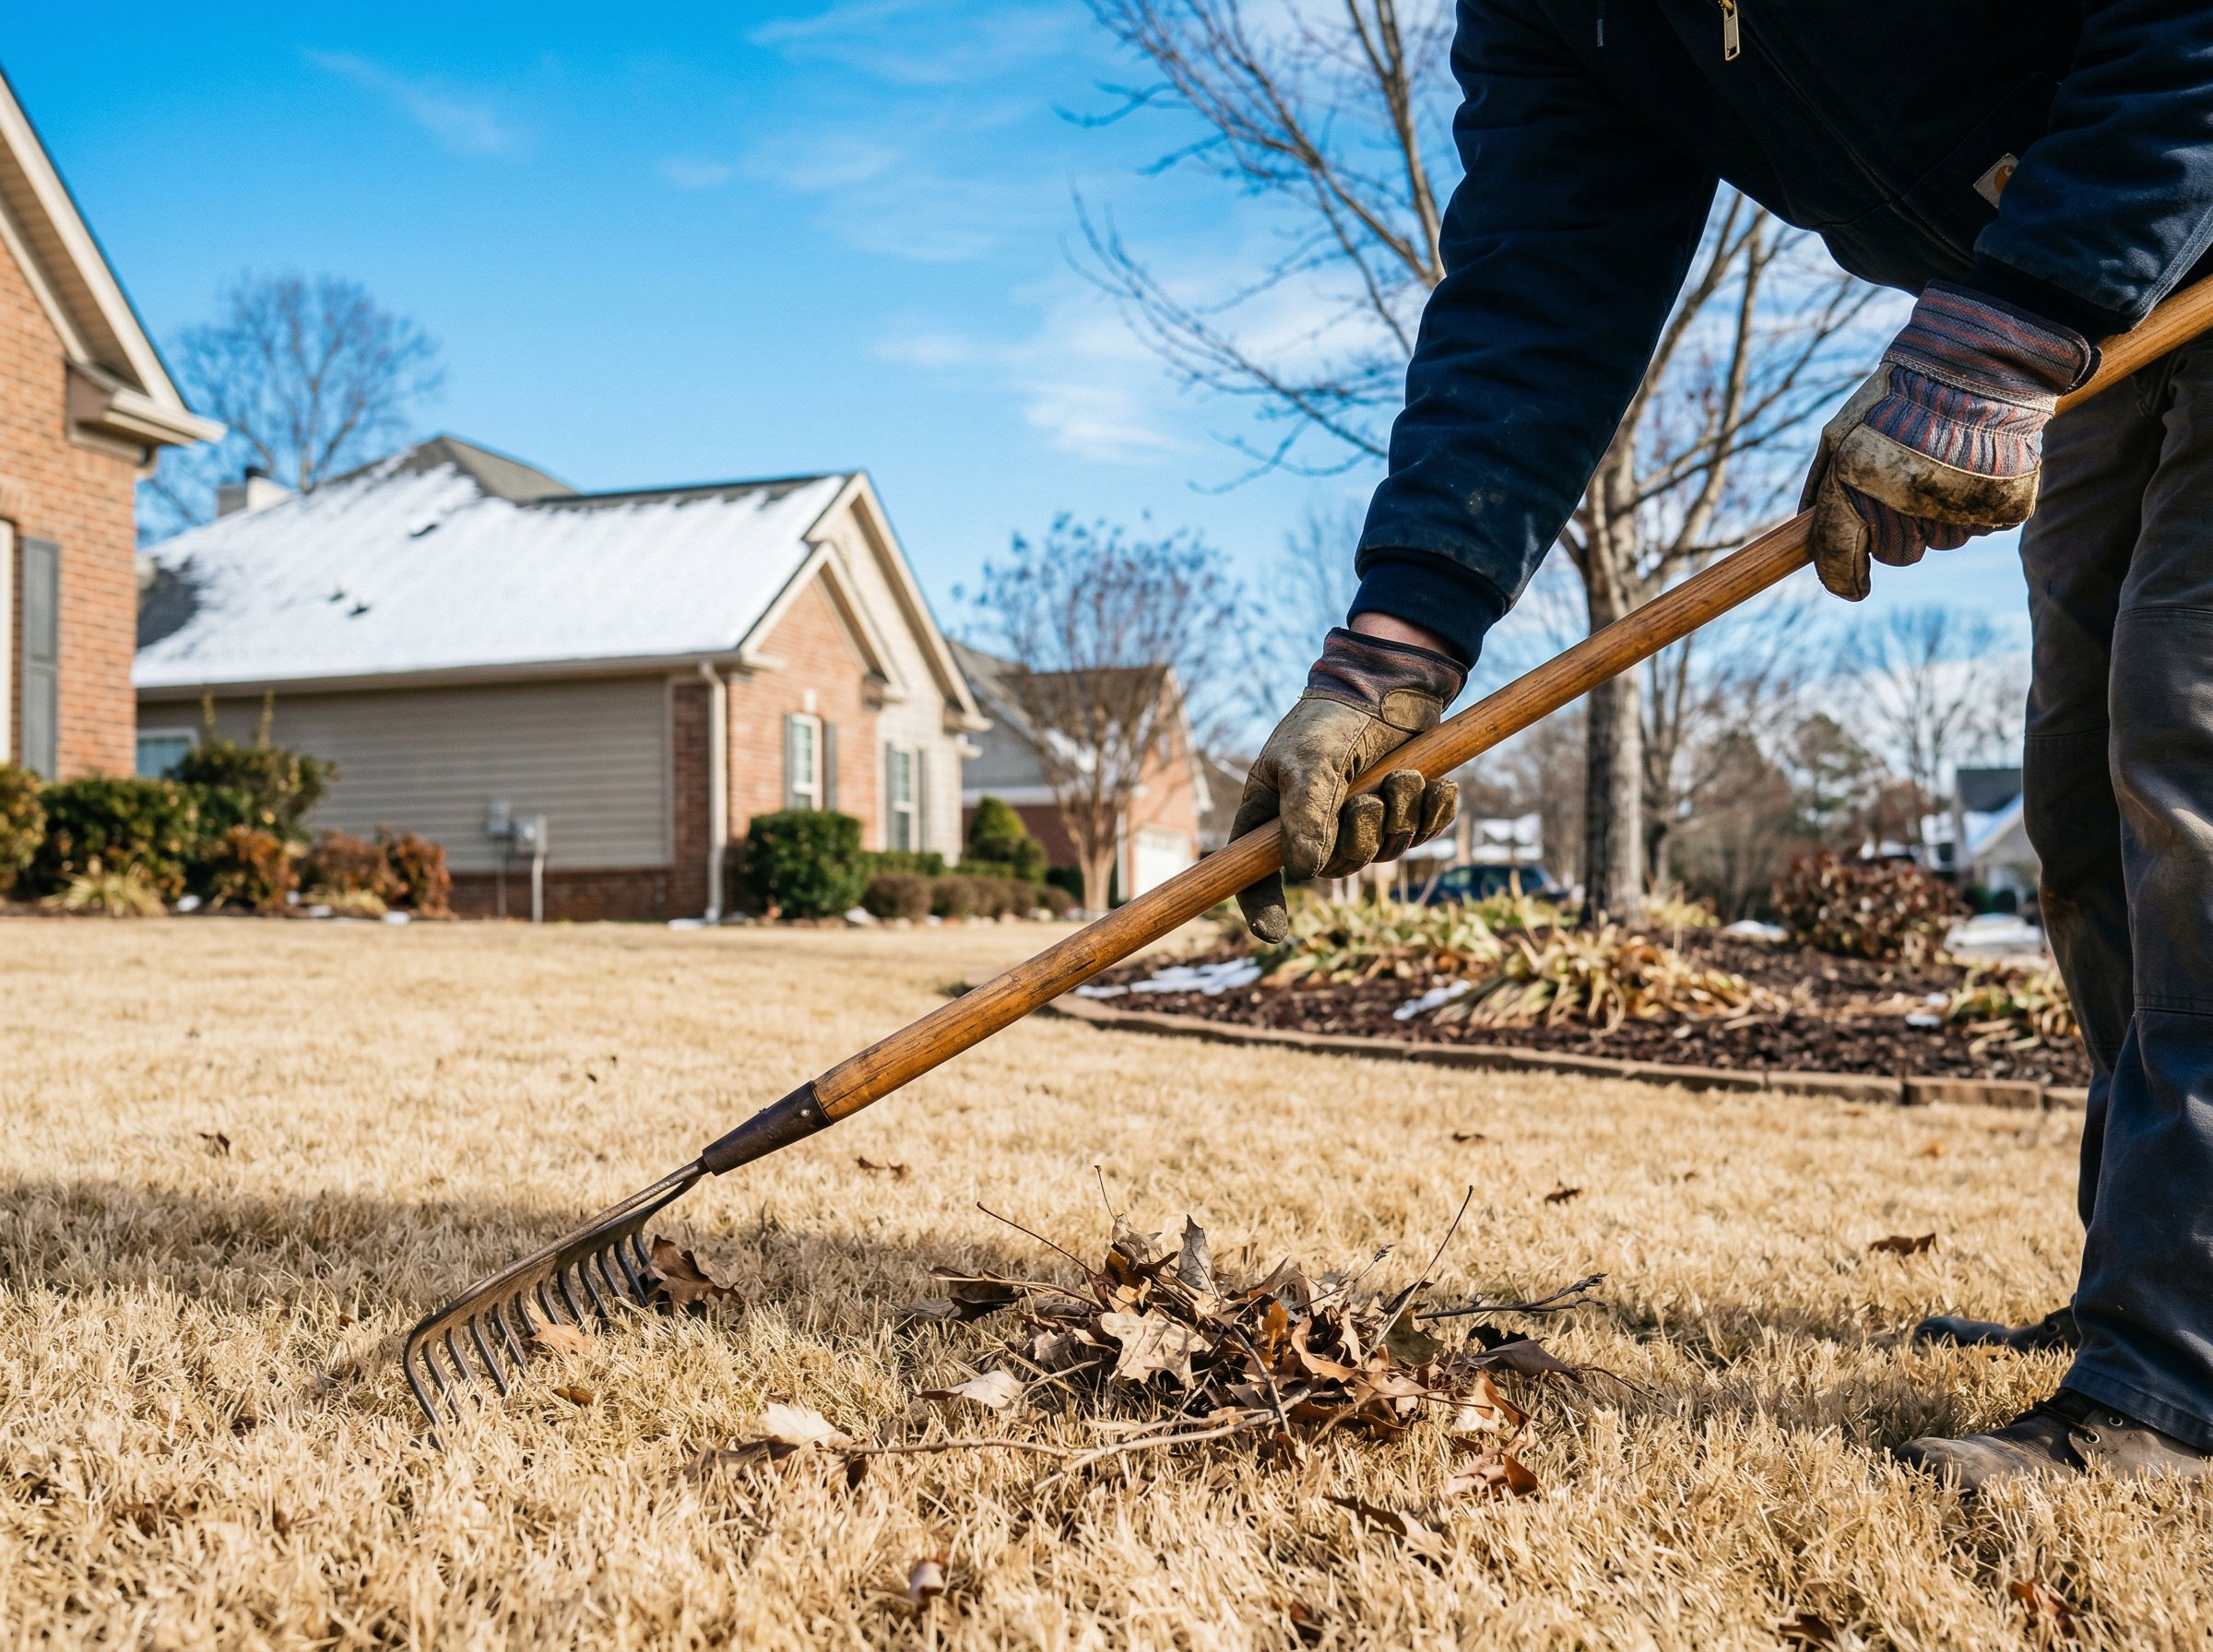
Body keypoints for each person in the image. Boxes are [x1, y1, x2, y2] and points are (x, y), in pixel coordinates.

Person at [1234, 1, 2213, 1493]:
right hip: (2114, 317)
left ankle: (2183, 1376)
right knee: (2080, 810)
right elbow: (1539, 293)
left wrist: (2004, 328)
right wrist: (1394, 648)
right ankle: (2138, 1289)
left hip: (2127, 246)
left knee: (2189, 761)